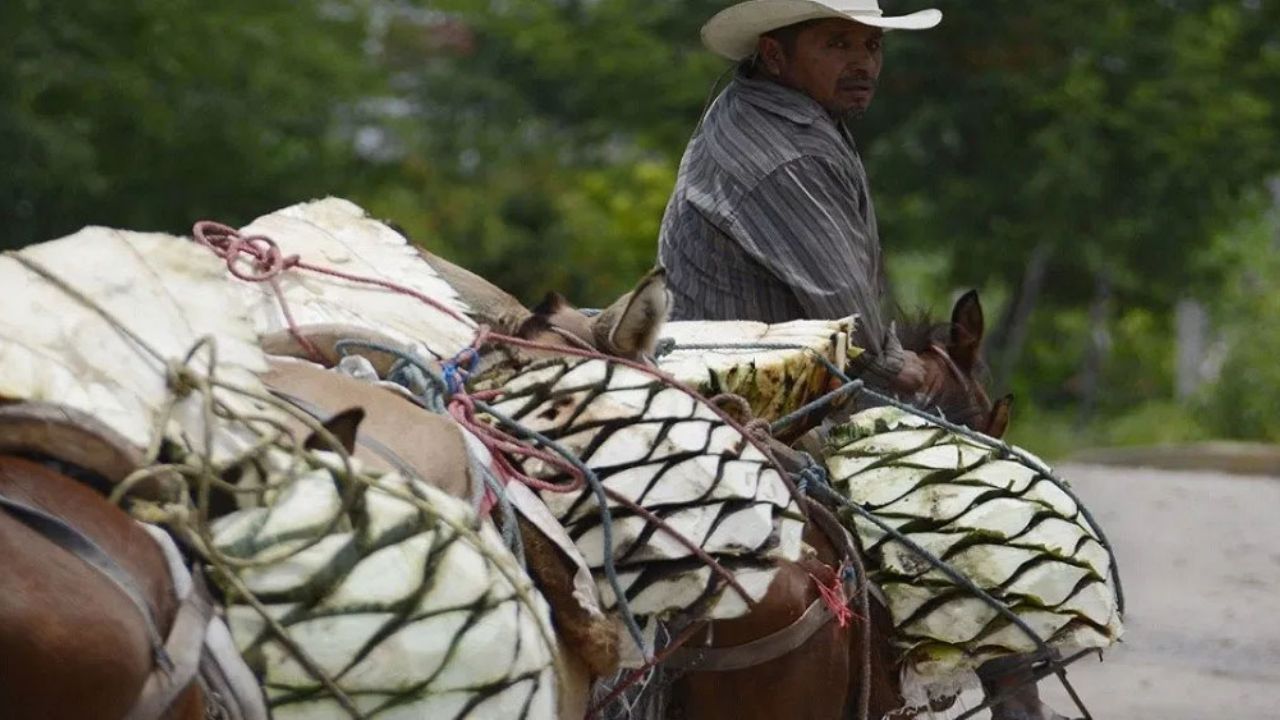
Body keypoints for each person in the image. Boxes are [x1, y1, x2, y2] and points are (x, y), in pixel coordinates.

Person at [657, 0, 941, 395]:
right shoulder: (791, 154)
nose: (863, 63)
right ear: (774, 55)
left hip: (716, 364)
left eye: (872, 45)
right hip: (735, 390)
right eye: (838, 44)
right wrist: (887, 363)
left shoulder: (760, 105)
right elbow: (843, 307)